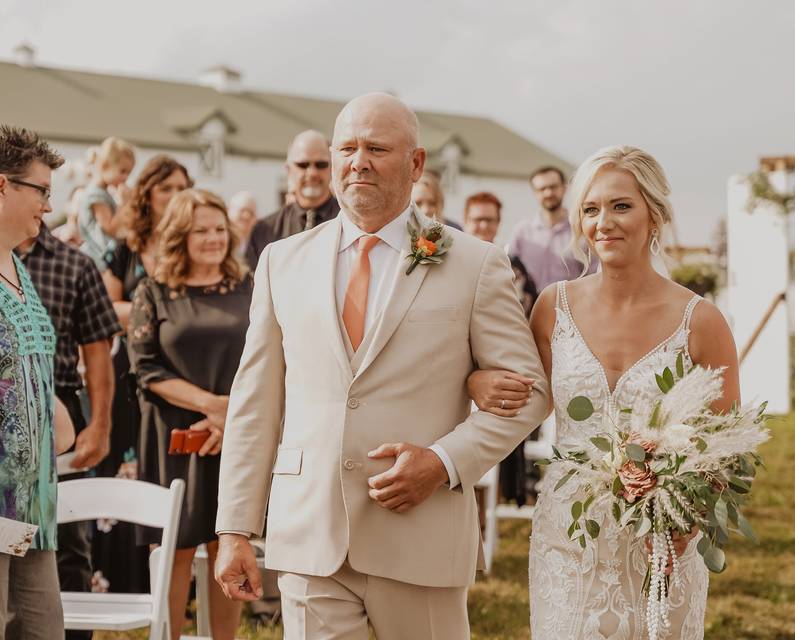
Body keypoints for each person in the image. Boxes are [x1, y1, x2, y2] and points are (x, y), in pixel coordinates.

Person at [213, 93, 548, 639]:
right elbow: (255, 404)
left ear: (415, 165)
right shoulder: (282, 261)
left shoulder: (472, 262)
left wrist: (443, 462)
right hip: (310, 536)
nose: (357, 161)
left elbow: (530, 394)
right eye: (346, 147)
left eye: (376, 148)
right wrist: (234, 530)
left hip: (420, 533)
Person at [478, 146, 740, 638]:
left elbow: (726, 446)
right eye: (591, 209)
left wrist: (689, 516)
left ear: (655, 215)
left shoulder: (700, 321)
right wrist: (476, 380)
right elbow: (524, 396)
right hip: (568, 534)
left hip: (661, 540)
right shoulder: (554, 307)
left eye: (621, 206)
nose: (604, 222)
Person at [128, 189, 250, 640]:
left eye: (219, 229)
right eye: (201, 230)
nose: (213, 238)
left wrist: (231, 416)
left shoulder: (249, 287)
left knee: (230, 543)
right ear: (180, 235)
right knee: (174, 547)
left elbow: (272, 358)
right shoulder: (153, 291)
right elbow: (144, 367)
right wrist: (211, 406)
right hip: (171, 434)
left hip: (238, 434)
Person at [16, 219, 121, 640]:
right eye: (40, 190)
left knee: (68, 541)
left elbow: (97, 349)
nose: (48, 204)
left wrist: (99, 424)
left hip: (62, 417)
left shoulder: (74, 264)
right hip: (9, 410)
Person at [94, 155, 192, 594]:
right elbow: (103, 308)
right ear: (148, 194)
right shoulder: (126, 247)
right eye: (166, 187)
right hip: (128, 371)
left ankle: (174, 584)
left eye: (181, 187)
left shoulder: (192, 242)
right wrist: (150, 312)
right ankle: (122, 581)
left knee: (171, 469)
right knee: (124, 465)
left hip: (181, 371)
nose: (175, 196)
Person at [0, 124, 77, 638]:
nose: (49, 205)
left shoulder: (17, 266)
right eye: (42, 190)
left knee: (42, 628)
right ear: (3, 185)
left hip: (32, 504)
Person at [245, 130, 340, 269]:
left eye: (321, 164)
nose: (312, 173)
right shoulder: (266, 229)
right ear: (288, 169)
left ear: (332, 167)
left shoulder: (352, 222)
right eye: (303, 164)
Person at [509, 165, 596, 290]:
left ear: (564, 188)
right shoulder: (522, 231)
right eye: (542, 189)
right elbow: (510, 269)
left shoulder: (581, 228)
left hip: (570, 306)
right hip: (530, 307)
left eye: (553, 187)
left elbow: (594, 274)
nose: (548, 193)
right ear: (535, 193)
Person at [77, 137, 135, 272]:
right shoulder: (97, 195)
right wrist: (124, 204)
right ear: (105, 166)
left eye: (129, 173)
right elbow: (110, 228)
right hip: (97, 260)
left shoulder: (103, 193)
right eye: (122, 171)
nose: (126, 178)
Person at [227, 191, 258, 255]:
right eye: (242, 210)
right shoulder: (219, 242)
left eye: (251, 213)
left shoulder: (259, 246)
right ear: (228, 211)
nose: (247, 216)